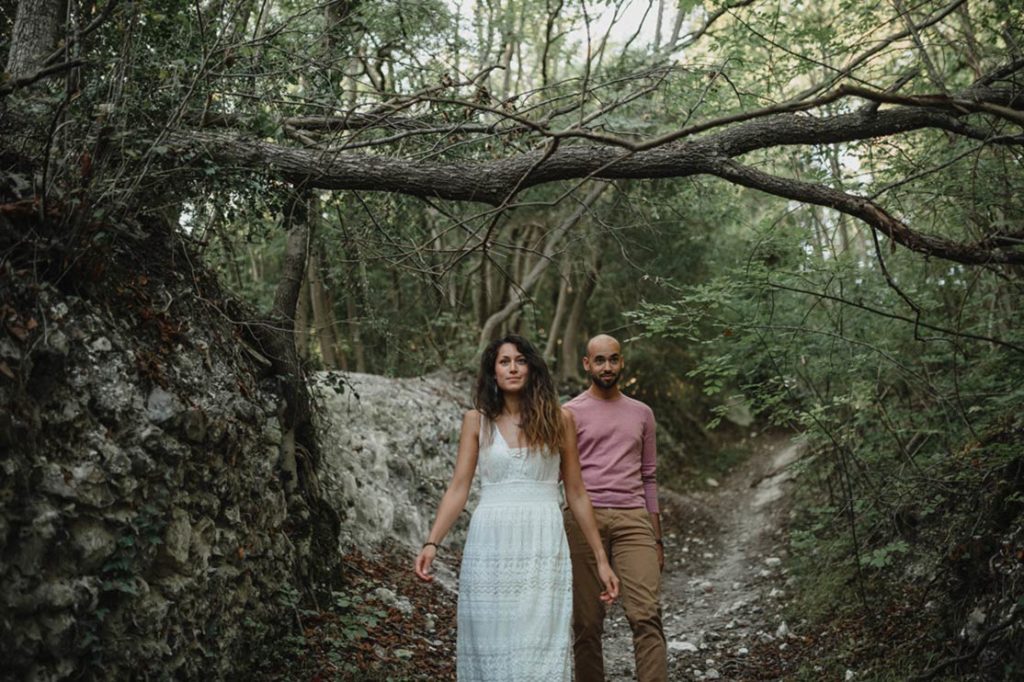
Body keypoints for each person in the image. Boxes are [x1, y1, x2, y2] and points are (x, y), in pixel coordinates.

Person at [415, 334, 619, 681]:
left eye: (520, 360)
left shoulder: (560, 419)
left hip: (542, 539)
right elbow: (458, 488)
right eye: (504, 361)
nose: (512, 368)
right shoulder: (475, 421)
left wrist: (601, 558)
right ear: (492, 371)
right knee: (491, 639)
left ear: (532, 368)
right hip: (490, 542)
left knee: (539, 643)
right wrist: (432, 542)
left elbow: (577, 493)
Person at [563, 334, 668, 682]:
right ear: (586, 364)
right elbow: (563, 477)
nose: (607, 367)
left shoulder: (642, 414)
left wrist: (657, 538)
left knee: (646, 615)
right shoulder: (569, 413)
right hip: (582, 520)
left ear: (622, 362)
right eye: (600, 360)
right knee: (587, 622)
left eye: (613, 359)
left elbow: (649, 477)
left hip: (633, 518)